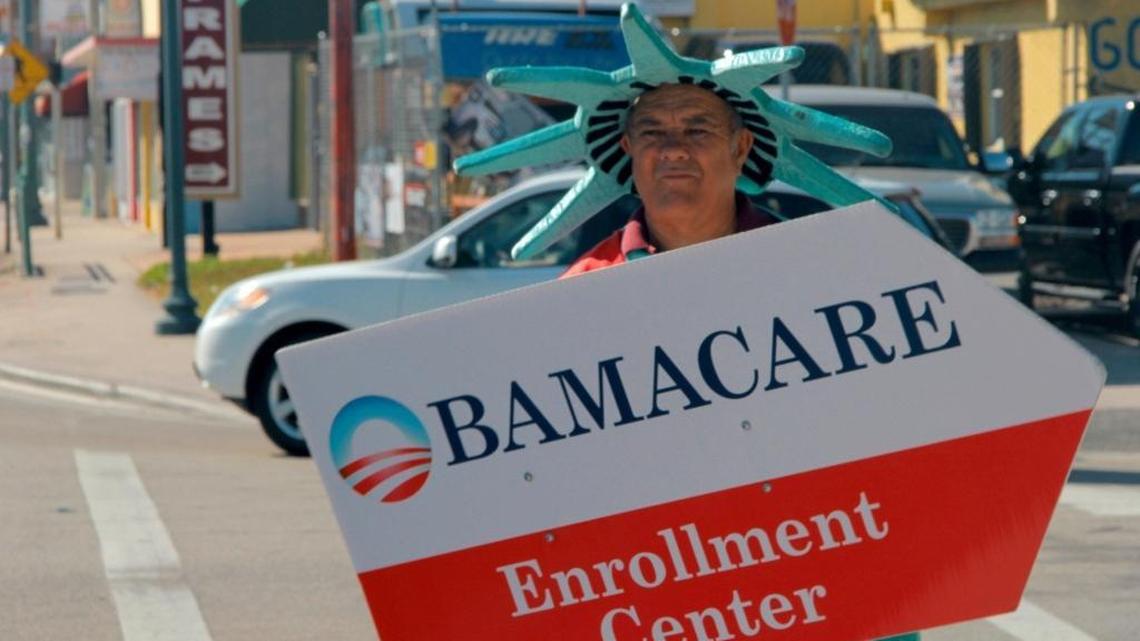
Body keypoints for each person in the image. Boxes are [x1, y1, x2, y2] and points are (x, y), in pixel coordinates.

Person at [562, 82, 778, 278]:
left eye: (696, 131)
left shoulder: (804, 257)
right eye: (652, 132)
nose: (673, 150)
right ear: (629, 149)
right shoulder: (581, 288)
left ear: (740, 148)